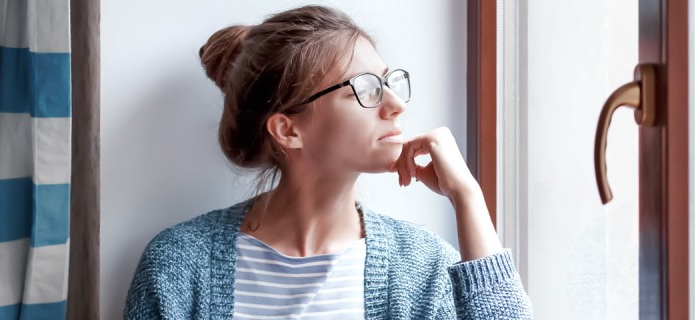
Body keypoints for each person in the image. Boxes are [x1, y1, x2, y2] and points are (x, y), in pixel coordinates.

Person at [123, 5, 532, 319]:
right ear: (287, 130)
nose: (395, 104)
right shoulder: (178, 266)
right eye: (365, 89)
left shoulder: (422, 269)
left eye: (389, 82)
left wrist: (467, 195)